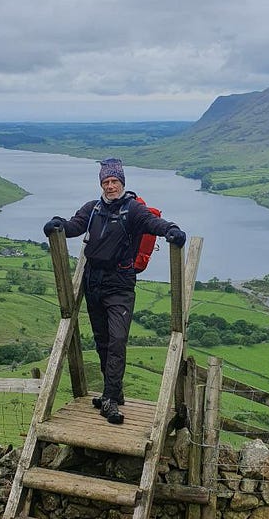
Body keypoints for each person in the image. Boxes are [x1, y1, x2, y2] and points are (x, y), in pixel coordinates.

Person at [43, 158, 186, 425]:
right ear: (101, 184)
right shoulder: (93, 208)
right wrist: (58, 224)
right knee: (102, 340)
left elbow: (153, 224)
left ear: (122, 182)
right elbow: (75, 226)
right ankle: (114, 392)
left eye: (114, 181)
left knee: (118, 340)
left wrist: (172, 230)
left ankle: (109, 398)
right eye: (106, 182)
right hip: (93, 282)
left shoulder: (133, 210)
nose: (110, 186)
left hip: (119, 284)